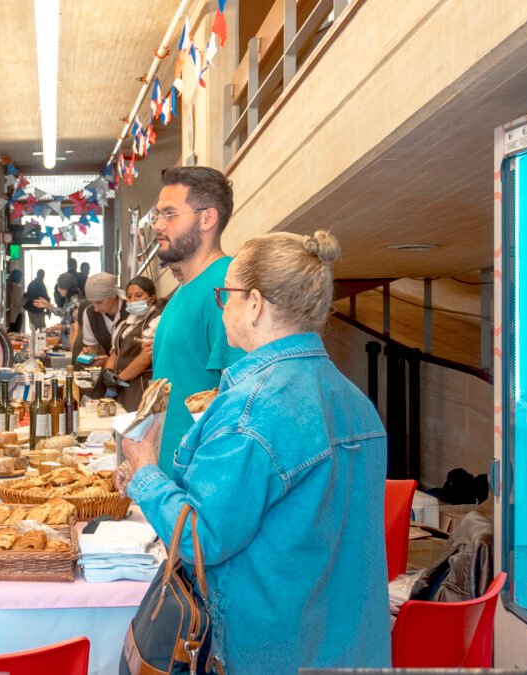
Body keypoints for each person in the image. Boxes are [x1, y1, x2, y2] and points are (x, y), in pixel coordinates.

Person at [120, 231, 390, 674]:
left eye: (226, 294)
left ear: (255, 303)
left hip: (268, 648)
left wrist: (145, 469)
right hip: (348, 645)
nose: (222, 305)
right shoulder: (354, 400)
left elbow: (200, 541)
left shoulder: (251, 410)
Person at [150, 166, 246, 475]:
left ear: (207, 219)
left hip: (200, 485)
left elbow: (241, 403)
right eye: (157, 215)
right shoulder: (183, 291)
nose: (157, 225)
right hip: (170, 480)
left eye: (170, 214)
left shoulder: (227, 286)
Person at [99, 276, 161, 412]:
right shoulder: (125, 323)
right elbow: (116, 350)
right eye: (129, 296)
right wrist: (108, 372)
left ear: (151, 298)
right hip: (120, 386)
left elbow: (146, 358)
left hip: (140, 386)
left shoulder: (157, 321)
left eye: (138, 296)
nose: (132, 301)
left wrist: (120, 378)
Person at [79, 272, 124, 362]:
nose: (96, 309)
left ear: (113, 296)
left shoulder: (131, 309)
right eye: (92, 303)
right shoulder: (90, 313)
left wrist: (110, 362)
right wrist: (88, 355)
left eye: (99, 302)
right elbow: (92, 347)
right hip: (111, 369)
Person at [6, 268, 25, 333]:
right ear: (18, 278)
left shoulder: (8, 286)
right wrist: (26, 298)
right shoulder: (17, 288)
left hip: (10, 315)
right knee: (16, 335)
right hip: (17, 315)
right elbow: (18, 303)